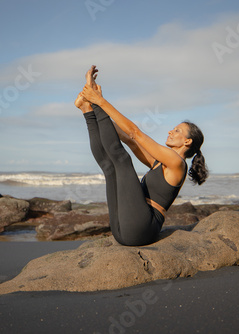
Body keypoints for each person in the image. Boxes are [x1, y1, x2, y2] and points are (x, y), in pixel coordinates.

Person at [75, 65, 208, 246]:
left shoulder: (177, 163)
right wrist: (93, 109)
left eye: (177, 130)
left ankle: (90, 107)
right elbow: (128, 139)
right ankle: (85, 110)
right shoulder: (158, 163)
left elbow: (135, 133)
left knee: (122, 162)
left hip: (142, 228)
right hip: (124, 228)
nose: (170, 131)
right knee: (110, 168)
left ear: (187, 142)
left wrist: (100, 102)